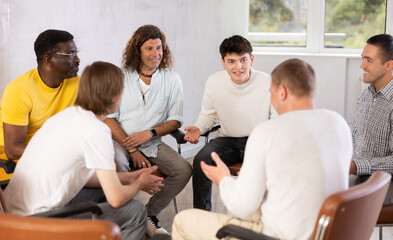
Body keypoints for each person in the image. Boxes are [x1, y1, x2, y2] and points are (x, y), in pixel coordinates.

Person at [172, 58, 353, 240]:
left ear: (281, 92)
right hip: (328, 231)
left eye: (271, 93)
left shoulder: (266, 132)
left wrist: (224, 179)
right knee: (253, 207)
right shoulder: (338, 123)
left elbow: (240, 205)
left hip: (278, 236)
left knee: (182, 220)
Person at [4, 61, 164, 240]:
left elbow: (81, 176)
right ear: (113, 96)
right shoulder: (97, 130)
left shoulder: (66, 116)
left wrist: (129, 177)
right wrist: (139, 184)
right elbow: (116, 198)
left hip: (11, 217)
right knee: (135, 211)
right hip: (39, 224)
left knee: (106, 188)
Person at [104, 24, 192, 237]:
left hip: (153, 143)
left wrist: (150, 133)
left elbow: (175, 120)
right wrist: (132, 149)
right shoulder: (120, 77)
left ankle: (147, 215)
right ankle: (121, 218)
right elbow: (108, 119)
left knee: (183, 169)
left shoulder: (172, 79)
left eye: (159, 48)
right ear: (138, 52)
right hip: (120, 142)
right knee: (119, 162)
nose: (156, 54)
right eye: (150, 49)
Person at [184, 35, 275, 211]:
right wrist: (198, 128)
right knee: (202, 159)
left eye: (243, 60)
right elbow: (208, 116)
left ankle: (267, 215)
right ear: (223, 62)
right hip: (228, 140)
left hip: (258, 140)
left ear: (251, 59)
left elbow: (276, 121)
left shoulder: (267, 82)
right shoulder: (214, 81)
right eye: (231, 61)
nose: (238, 67)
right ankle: (201, 215)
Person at [0, 29, 80, 183]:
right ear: (49, 59)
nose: (77, 59)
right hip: (16, 157)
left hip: (50, 151)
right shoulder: (19, 90)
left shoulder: (76, 82)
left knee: (107, 165)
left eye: (76, 53)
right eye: (70, 55)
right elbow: (13, 150)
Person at [349, 33, 393, 204]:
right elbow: (355, 136)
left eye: (369, 60)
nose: (362, 65)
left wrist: (356, 166)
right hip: (358, 175)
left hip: (384, 182)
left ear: (388, 65)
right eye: (362, 59)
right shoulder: (366, 95)